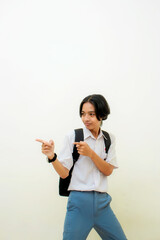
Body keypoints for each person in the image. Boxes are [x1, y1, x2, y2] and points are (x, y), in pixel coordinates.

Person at [36, 94, 127, 240]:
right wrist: (52, 156)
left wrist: (91, 154)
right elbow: (64, 173)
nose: (86, 118)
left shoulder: (109, 139)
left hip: (102, 203)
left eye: (91, 114)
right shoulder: (73, 136)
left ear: (102, 115)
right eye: (83, 114)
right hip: (79, 203)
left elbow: (108, 170)